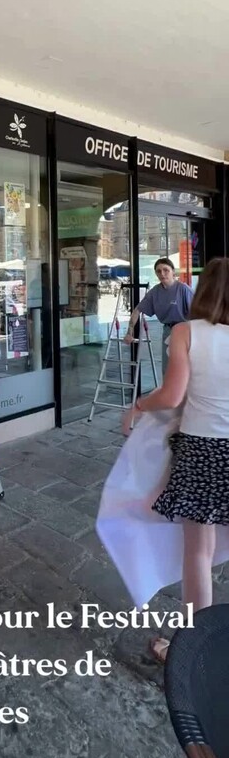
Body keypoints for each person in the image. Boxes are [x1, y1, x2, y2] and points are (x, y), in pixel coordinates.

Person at [123, 258, 229, 664]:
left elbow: (170, 396)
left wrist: (137, 406)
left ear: (200, 293)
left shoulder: (186, 333)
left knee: (198, 552)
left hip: (202, 449)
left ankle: (194, 649)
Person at [124, 257, 193, 374]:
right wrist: (129, 332)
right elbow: (137, 311)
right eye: (158, 271)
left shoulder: (183, 289)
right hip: (168, 331)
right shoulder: (155, 292)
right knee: (167, 370)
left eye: (166, 270)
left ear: (173, 272)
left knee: (184, 368)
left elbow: (199, 313)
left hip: (185, 331)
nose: (162, 274)